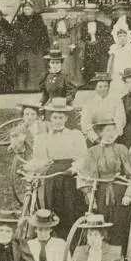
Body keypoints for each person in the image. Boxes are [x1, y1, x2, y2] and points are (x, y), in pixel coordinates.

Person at [76, 120, 131, 253]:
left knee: (120, 225)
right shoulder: (93, 151)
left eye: (113, 130)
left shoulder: (121, 149)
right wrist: (89, 196)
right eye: (107, 130)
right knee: (100, 224)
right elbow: (86, 176)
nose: (110, 134)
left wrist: (129, 193)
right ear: (100, 133)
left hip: (120, 192)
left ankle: (119, 256)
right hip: (100, 193)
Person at [29, 97, 87, 239]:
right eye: (54, 117)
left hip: (69, 176)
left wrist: (73, 169)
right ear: (50, 118)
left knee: (71, 209)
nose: (57, 121)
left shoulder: (75, 135)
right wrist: (32, 169)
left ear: (66, 118)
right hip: (52, 177)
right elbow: (39, 159)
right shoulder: (43, 138)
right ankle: (55, 240)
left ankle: (72, 242)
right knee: (53, 209)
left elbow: (84, 158)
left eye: (60, 117)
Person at [13, 0, 51, 92]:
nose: (27, 11)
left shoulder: (38, 19)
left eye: (29, 9)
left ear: (32, 9)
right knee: (23, 67)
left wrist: (44, 45)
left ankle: (37, 86)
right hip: (23, 48)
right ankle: (23, 88)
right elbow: (16, 34)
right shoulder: (19, 20)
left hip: (35, 47)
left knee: (36, 66)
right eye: (25, 9)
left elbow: (43, 33)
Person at [80, 72, 126, 144]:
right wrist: (96, 139)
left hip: (114, 136)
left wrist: (113, 137)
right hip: (96, 136)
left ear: (109, 87)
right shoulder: (89, 103)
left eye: (105, 86)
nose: (103, 89)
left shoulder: (117, 101)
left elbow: (120, 120)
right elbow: (85, 124)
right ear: (95, 88)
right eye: (100, 87)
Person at [49, 1, 83, 87]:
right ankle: (60, 82)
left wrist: (72, 44)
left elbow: (73, 33)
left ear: (66, 12)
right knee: (60, 61)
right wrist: (55, 41)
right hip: (59, 43)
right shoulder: (55, 22)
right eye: (59, 11)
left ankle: (71, 81)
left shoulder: (70, 21)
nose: (61, 13)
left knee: (68, 62)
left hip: (67, 42)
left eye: (63, 11)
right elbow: (53, 33)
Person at [80, 3, 114, 88]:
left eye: (92, 13)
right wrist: (87, 42)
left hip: (99, 47)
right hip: (88, 47)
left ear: (95, 14)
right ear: (86, 15)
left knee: (101, 62)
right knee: (89, 65)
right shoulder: (83, 25)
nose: (91, 15)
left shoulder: (101, 25)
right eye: (89, 14)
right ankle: (90, 83)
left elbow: (105, 37)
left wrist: (98, 42)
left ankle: (100, 82)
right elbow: (81, 37)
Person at [107, 28, 131, 99]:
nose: (122, 38)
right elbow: (110, 61)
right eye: (120, 36)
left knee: (127, 91)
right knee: (115, 93)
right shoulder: (114, 47)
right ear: (117, 38)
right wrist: (108, 73)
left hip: (127, 73)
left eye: (124, 36)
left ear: (127, 37)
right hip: (116, 74)